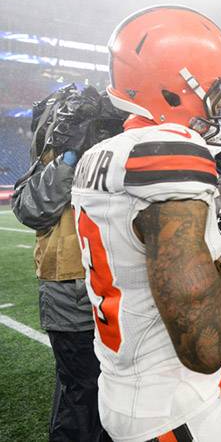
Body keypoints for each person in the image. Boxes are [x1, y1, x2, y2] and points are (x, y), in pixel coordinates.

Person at [70, 6, 221, 442]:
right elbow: (205, 347)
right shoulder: (168, 150)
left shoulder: (99, 155)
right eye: (216, 90)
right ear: (179, 88)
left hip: (126, 389)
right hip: (175, 411)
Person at [11, 84, 117, 441]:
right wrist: (69, 156)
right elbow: (31, 210)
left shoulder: (119, 151)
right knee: (80, 394)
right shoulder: (51, 160)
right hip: (69, 290)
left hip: (117, 288)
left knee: (113, 395)